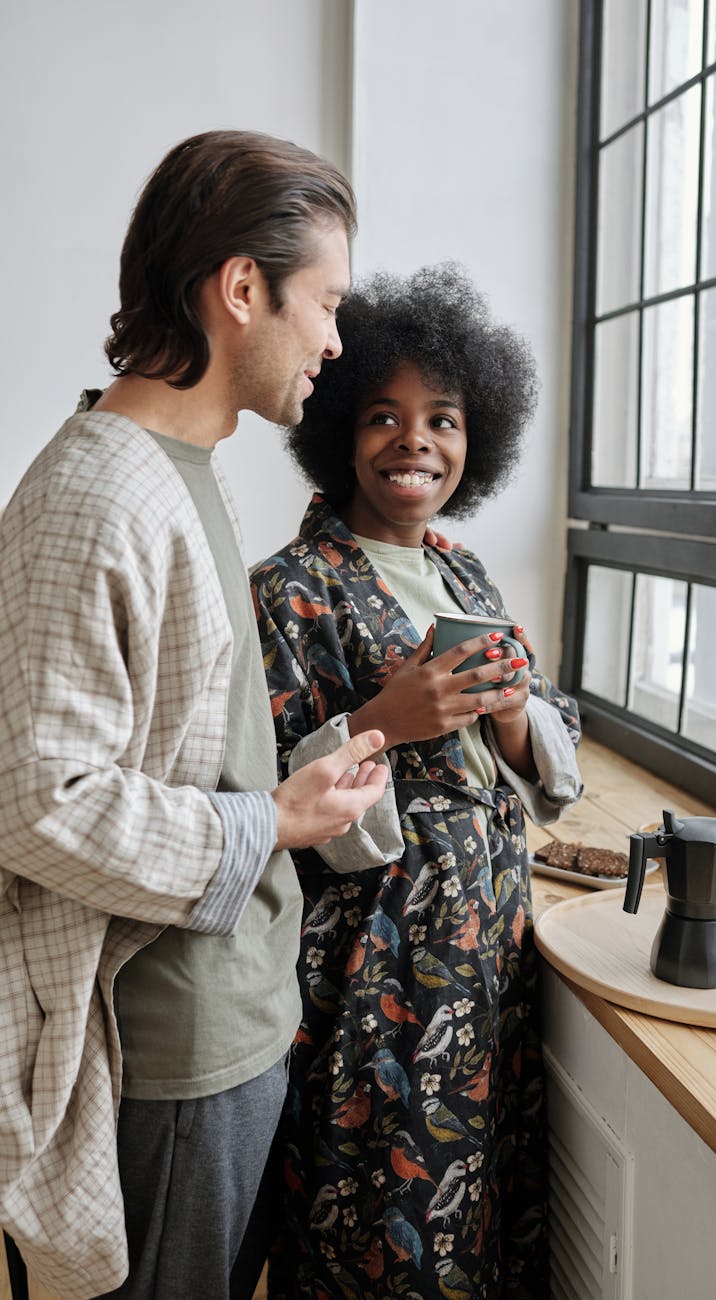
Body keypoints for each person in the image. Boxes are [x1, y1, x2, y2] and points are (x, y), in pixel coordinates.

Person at [0, 129, 396, 1300]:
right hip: (165, 1052)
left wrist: (294, 796)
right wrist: (266, 825)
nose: (335, 338)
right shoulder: (95, 494)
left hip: (226, 1024)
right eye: (323, 302)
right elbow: (38, 803)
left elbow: (183, 747)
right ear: (240, 289)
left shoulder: (189, 472)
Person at [250, 264, 583, 1300]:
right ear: (341, 429)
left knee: (476, 1217)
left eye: (442, 419)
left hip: (487, 963)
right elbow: (266, 795)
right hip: (377, 973)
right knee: (379, 1223)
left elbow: (543, 758)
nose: (415, 442)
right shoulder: (290, 590)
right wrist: (379, 723)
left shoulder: (465, 575)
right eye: (385, 417)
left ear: (473, 439)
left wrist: (518, 709)